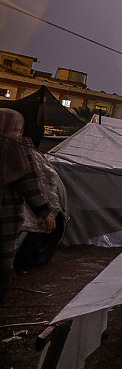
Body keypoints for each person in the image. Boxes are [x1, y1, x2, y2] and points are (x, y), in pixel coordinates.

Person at [1, 109, 56, 304]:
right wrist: (45, 212)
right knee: (3, 269)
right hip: (5, 216)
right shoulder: (18, 146)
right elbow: (29, 181)